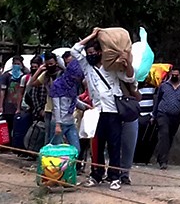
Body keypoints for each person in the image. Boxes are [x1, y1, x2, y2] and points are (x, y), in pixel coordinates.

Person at [70, 28, 136, 191]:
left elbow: (130, 78)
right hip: (96, 111)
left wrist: (127, 64)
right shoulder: (87, 66)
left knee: (114, 145)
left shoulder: (111, 67)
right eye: (89, 52)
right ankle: (96, 174)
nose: (91, 55)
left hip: (113, 112)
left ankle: (115, 177)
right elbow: (74, 50)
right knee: (96, 145)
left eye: (93, 52)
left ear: (100, 52)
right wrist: (94, 35)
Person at [50, 51, 85, 151]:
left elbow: (75, 100)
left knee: (76, 149)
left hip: (70, 121)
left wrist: (87, 107)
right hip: (59, 122)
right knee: (57, 150)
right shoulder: (57, 85)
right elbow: (56, 107)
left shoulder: (73, 87)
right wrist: (57, 124)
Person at [27, 53, 60, 144]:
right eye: (47, 64)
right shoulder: (45, 75)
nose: (49, 66)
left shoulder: (61, 74)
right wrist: (39, 70)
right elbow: (31, 84)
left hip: (60, 109)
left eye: (51, 64)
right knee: (47, 135)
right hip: (48, 109)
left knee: (56, 136)